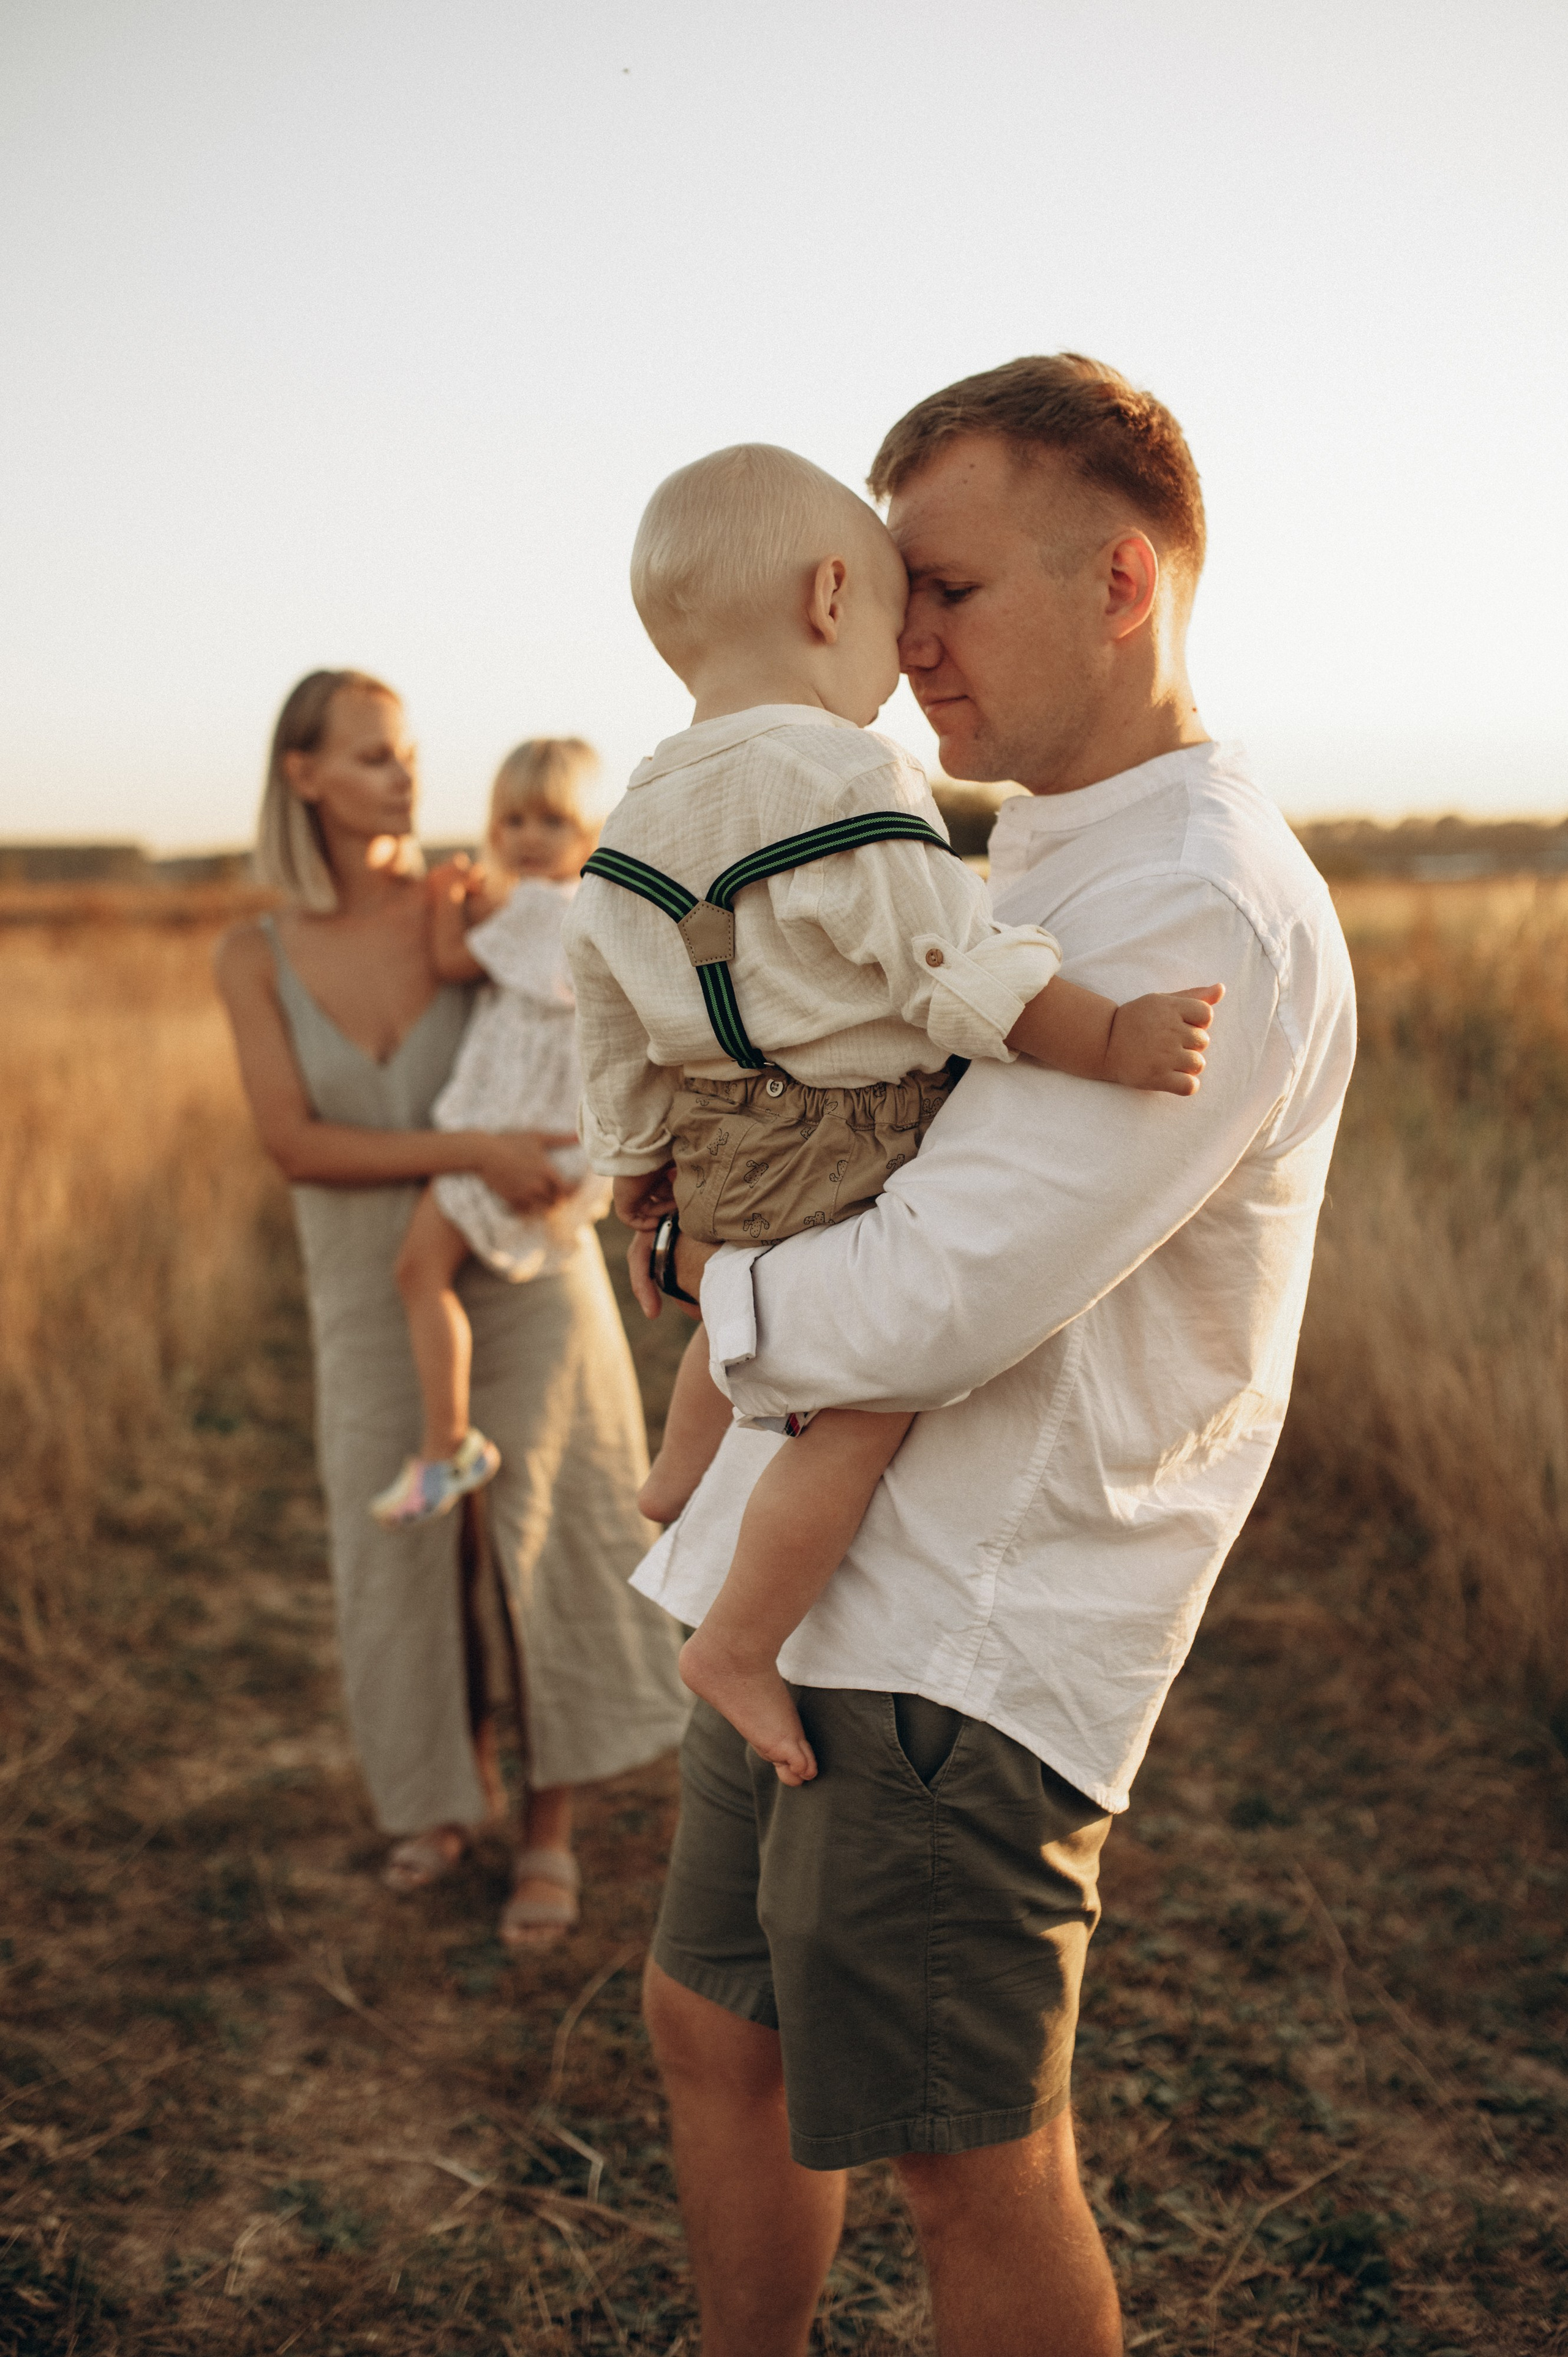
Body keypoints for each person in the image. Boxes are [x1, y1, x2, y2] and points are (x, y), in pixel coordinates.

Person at [625, 359, 1357, 2357]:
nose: (901, 639)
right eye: (887, 587)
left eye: (942, 587)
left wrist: (707, 1275)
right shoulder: (1010, 838)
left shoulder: (1192, 887)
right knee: (715, 2023)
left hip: (963, 1629)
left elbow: (942, 1288)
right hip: (808, 1575)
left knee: (968, 2153)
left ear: (1123, 580)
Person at [565, 443, 1222, 1786]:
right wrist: (1105, 1034)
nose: (908, 648)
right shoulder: (847, 782)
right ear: (825, 598)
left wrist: (637, 1163)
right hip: (845, 1127)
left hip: (712, 1128)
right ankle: (737, 1639)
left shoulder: (631, 814)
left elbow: (606, 1016)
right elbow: (950, 971)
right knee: (856, 1409)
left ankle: (675, 1482)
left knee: (725, 1298)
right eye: (890, 603)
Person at [215, 671, 689, 1949]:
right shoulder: (251, 953)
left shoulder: (477, 910)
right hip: (373, 1283)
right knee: (407, 1552)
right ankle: (440, 1796)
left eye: (411, 755)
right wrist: (470, 1150)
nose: (405, 778)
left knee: (538, 1535)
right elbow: (295, 1142)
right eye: (373, 757)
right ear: (303, 774)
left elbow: (587, 1037)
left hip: (529, 1264)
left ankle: (547, 1831)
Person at [371, 738, 611, 1526]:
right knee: (434, 1272)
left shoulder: (533, 909)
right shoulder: (592, 915)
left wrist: (445, 893)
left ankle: (448, 1445)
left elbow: (447, 960)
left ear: (588, 830)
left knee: (418, 1271)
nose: (528, 837)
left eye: (550, 819)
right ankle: (450, 1441)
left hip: (504, 1128)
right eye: (512, 820)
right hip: (550, 1130)